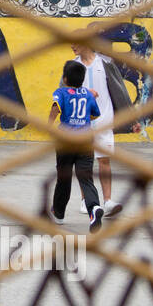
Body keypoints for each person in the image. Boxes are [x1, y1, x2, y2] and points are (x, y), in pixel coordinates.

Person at [69, 32, 141, 218]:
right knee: (84, 163)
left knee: (104, 161)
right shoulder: (73, 67)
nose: (72, 45)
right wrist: (84, 92)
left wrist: (132, 119)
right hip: (81, 122)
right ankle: (86, 201)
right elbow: (65, 92)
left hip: (104, 120)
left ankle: (108, 201)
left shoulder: (105, 63)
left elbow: (120, 91)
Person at [49, 60, 104, 234]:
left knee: (63, 178)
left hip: (66, 141)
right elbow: (94, 114)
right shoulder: (88, 94)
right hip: (86, 142)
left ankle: (58, 214)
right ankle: (94, 209)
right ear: (82, 79)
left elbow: (55, 108)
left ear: (65, 78)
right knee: (86, 178)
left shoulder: (61, 92)